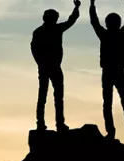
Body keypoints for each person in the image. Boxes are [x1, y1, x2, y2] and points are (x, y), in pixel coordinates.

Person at [90, 0, 124, 142]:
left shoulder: (105, 35)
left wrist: (92, 4)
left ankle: (112, 133)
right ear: (118, 23)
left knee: (108, 104)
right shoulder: (122, 34)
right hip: (118, 72)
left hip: (109, 72)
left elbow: (94, 21)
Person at [30, 0, 82, 131]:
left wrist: (76, 8)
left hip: (51, 67)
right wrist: (40, 62)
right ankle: (46, 123)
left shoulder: (46, 30)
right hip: (48, 66)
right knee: (48, 96)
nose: (55, 20)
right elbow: (34, 48)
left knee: (53, 96)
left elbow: (71, 21)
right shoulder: (49, 30)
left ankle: (55, 123)